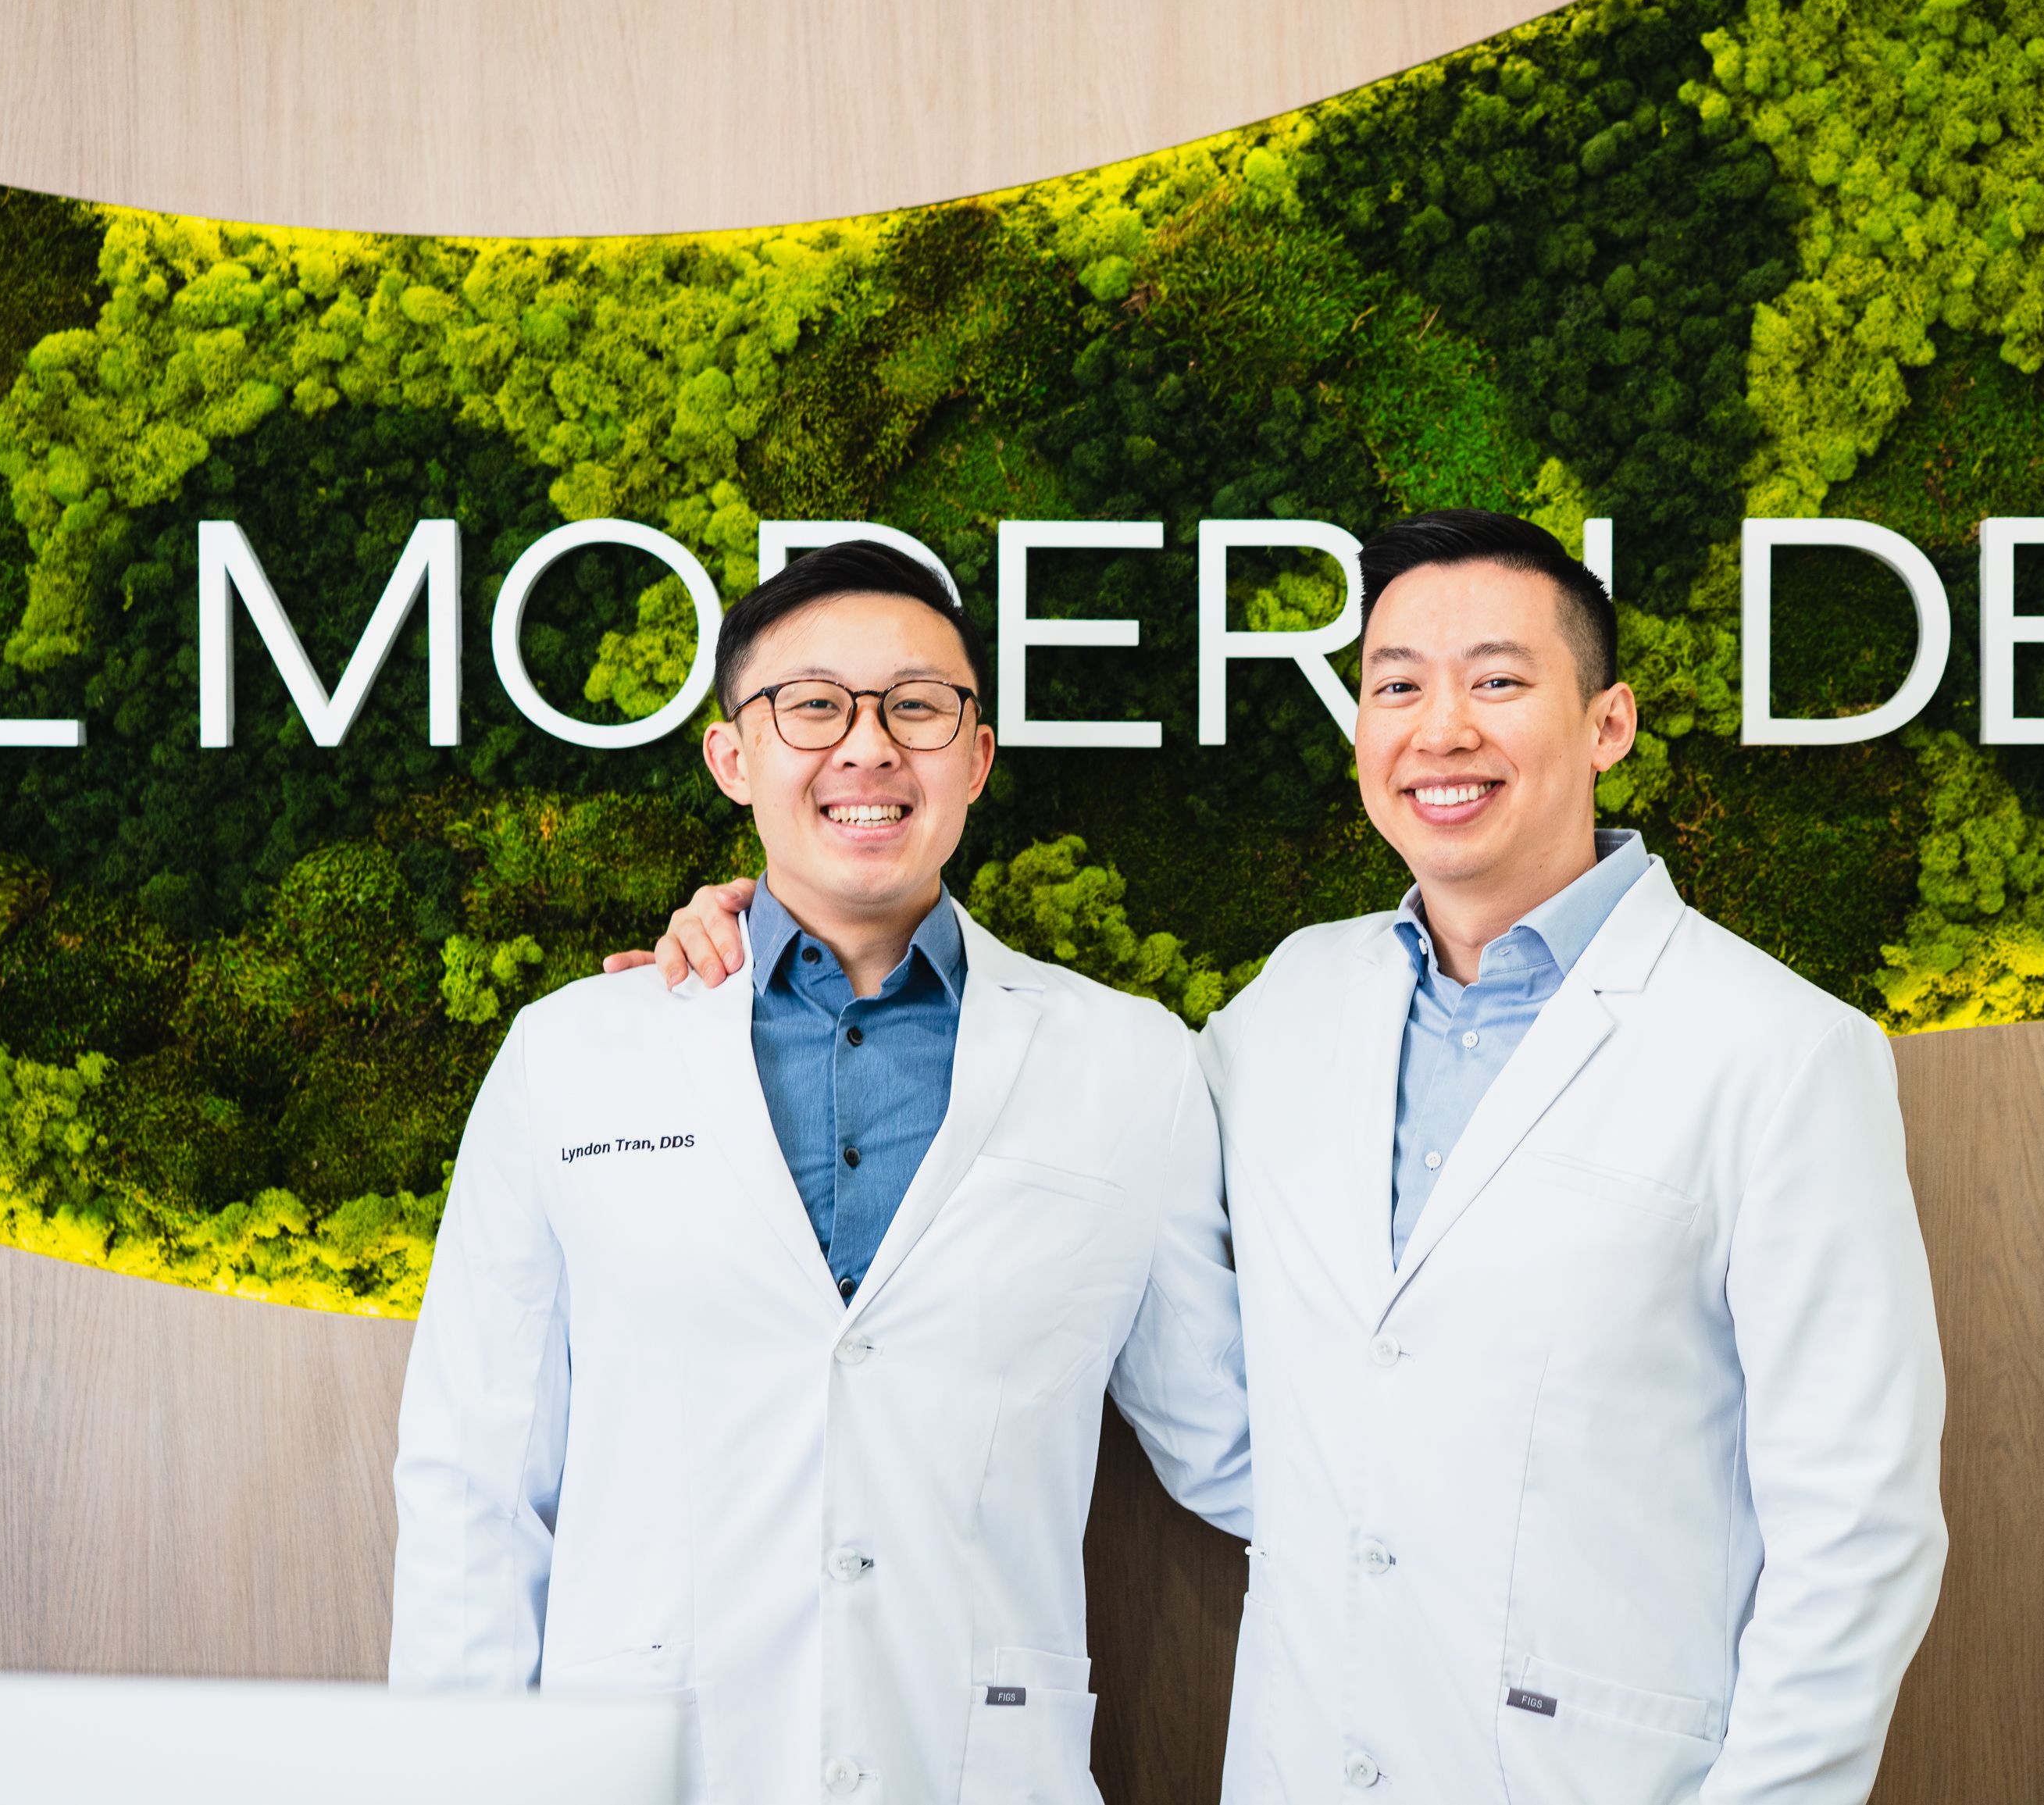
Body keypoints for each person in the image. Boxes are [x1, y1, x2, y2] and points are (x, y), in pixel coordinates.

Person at [629, 510, 1949, 1803]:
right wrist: (754, 945)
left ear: (1607, 724)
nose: (1442, 729)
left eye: (1498, 680)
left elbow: (1858, 1526)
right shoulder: (1282, 1013)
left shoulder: (1780, 1049)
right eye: (1396, 686)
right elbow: (1155, 1290)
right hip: (1310, 1749)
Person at [391, 540, 1250, 1805]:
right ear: (734, 756)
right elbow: (475, 1478)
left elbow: (1227, 1437)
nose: (866, 747)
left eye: (916, 705)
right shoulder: (575, 1050)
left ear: (976, 754)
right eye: (811, 706)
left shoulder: (1130, 1064)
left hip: (970, 1765)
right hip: (646, 1763)